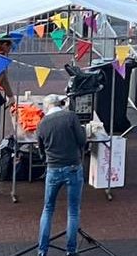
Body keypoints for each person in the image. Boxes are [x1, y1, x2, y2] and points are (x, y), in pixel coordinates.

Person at [35, 93, 87, 256]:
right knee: (73, 210)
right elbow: (81, 140)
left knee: (48, 208)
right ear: (60, 104)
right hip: (73, 166)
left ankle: (42, 250)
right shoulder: (70, 117)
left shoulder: (42, 124)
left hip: (53, 168)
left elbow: (41, 149)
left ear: (47, 107)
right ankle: (71, 250)